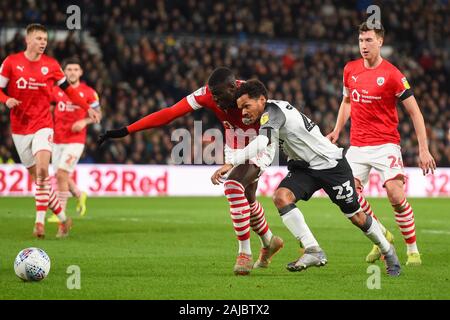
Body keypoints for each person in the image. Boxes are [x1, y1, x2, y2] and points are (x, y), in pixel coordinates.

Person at [98, 67, 283, 275]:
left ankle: (244, 254)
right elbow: (169, 114)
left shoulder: (250, 93)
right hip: (234, 146)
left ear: (233, 88)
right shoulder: (206, 95)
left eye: (220, 96)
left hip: (260, 144)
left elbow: (276, 115)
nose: (216, 101)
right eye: (213, 96)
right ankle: (269, 241)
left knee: (233, 187)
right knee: (247, 198)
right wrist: (125, 130)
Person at [212, 79, 401, 276]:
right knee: (281, 197)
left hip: (331, 166)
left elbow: (262, 142)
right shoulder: (269, 115)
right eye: (240, 108)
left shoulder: (273, 111)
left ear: (261, 100)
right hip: (304, 168)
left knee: (356, 216)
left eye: (246, 106)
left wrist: (231, 163)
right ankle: (313, 250)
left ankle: (388, 252)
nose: (243, 112)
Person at [326, 22, 436, 266]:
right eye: (361, 41)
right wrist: (336, 130)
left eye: (369, 41)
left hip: (386, 144)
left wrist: (424, 149)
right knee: (348, 196)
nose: (364, 46)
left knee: (396, 195)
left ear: (380, 42)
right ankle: (381, 237)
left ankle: (412, 250)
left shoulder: (393, 75)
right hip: (357, 145)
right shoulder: (350, 70)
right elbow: (347, 103)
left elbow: (415, 114)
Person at [0, 24, 100, 238]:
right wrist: (6, 99)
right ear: (28, 40)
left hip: (43, 125)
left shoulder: (52, 65)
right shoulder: (11, 62)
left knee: (45, 171)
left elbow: (70, 92)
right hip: (19, 128)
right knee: (40, 180)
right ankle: (64, 219)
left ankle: (39, 223)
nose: (43, 42)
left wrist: (87, 109)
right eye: (38, 38)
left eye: (45, 39)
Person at [47, 58, 101, 223]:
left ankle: (60, 212)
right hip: (57, 139)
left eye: (75, 69)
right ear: (64, 72)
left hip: (76, 140)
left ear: (81, 72)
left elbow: (98, 115)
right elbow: (49, 109)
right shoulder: (56, 91)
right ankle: (79, 194)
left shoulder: (89, 92)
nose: (72, 72)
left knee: (62, 173)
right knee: (60, 175)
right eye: (69, 69)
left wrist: (84, 121)